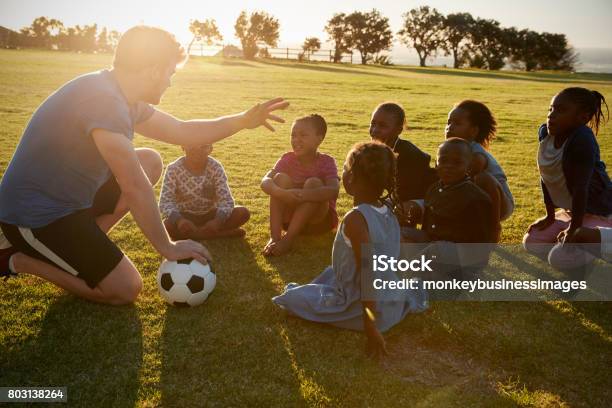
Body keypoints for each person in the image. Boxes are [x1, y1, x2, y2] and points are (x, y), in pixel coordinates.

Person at [0, 26, 288, 304]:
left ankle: (87, 243)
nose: (169, 81)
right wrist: (167, 246)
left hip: (68, 201)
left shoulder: (123, 96)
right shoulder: (104, 100)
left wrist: (242, 121)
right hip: (34, 217)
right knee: (125, 288)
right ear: (153, 70)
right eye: (169, 73)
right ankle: (18, 259)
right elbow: (133, 185)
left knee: (149, 160)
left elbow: (182, 130)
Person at [272, 142, 427, 358]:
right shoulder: (388, 212)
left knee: (291, 299)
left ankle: (346, 309)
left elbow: (369, 273)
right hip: (391, 301)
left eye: (344, 170)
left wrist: (370, 327)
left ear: (350, 180)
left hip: (366, 307)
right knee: (331, 272)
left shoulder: (356, 219)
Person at [523, 87, 611, 269]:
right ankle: (572, 241)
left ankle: (601, 239)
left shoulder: (582, 139)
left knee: (559, 259)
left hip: (600, 212)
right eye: (551, 109)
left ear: (582, 118)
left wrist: (574, 229)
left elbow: (581, 188)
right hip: (573, 211)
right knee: (531, 242)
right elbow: (547, 175)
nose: (551, 115)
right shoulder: (546, 134)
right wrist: (549, 215)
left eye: (561, 110)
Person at [261, 114, 339, 256]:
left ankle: (288, 240)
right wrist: (281, 193)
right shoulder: (287, 159)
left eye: (303, 135)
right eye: (293, 135)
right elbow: (265, 181)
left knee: (313, 183)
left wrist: (302, 195)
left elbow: (334, 190)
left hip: (318, 223)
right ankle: (275, 237)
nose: (296, 140)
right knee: (279, 179)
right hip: (289, 222)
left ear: (319, 139)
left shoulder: (326, 161)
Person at [402, 138, 496, 244]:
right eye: (443, 161)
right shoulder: (434, 189)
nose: (449, 166)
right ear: (436, 165)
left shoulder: (476, 198)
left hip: (457, 250)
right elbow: (427, 226)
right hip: (432, 241)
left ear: (469, 167)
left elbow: (480, 242)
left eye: (457, 162)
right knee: (400, 234)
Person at [159, 144, 250, 240]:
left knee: (242, 213)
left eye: (204, 146)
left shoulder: (215, 167)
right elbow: (165, 201)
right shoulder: (173, 168)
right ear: (183, 146)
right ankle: (218, 234)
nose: (198, 150)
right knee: (166, 225)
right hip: (185, 216)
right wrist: (180, 221)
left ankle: (195, 236)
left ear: (210, 149)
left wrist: (217, 221)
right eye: (192, 145)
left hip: (211, 214)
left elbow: (226, 200)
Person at [445, 100, 514, 223]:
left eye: (457, 123)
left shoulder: (476, 152)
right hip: (474, 198)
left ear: (473, 131)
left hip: (500, 203)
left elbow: (472, 172)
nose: (449, 127)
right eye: (448, 122)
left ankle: (493, 226)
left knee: (482, 178)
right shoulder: (449, 150)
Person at [369, 102, 437, 224]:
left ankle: (401, 234)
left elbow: (406, 193)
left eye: (382, 126)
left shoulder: (409, 154)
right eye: (373, 123)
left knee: (398, 210)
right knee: (368, 207)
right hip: (398, 197)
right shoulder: (372, 151)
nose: (375, 130)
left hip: (424, 199)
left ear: (398, 130)